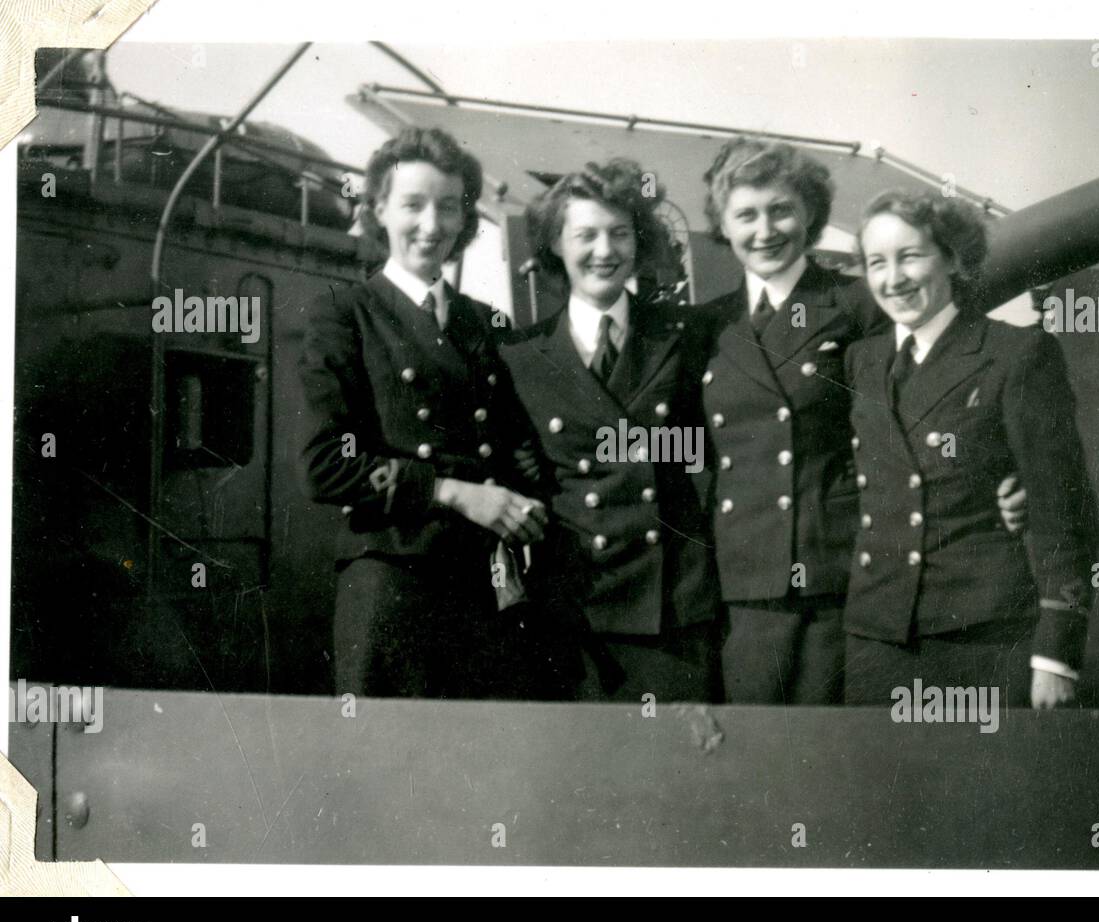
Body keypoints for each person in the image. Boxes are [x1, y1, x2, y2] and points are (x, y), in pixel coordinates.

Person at [697, 137, 1026, 705]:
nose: (765, 230)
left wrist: (1007, 475)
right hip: (743, 583)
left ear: (812, 217)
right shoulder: (703, 326)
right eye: (746, 215)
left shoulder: (860, 304)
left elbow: (951, 386)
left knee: (838, 760)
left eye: (782, 209)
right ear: (723, 226)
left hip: (842, 575)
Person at [297, 126, 548, 699]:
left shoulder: (483, 322)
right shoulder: (343, 315)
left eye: (448, 208)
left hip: (486, 593)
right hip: (392, 590)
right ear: (380, 208)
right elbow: (323, 464)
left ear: (465, 220)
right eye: (412, 204)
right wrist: (456, 493)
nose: (431, 226)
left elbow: (519, 447)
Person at [843, 189, 1099, 709]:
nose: (893, 279)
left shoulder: (1015, 353)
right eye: (877, 263)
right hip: (876, 638)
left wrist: (1056, 654)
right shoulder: (860, 362)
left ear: (954, 258)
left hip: (981, 634)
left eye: (911, 256)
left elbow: (1063, 510)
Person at [499, 159, 721, 702]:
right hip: (575, 610)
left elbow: (707, 453)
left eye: (620, 233)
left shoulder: (687, 336)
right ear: (554, 243)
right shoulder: (520, 356)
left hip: (670, 605)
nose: (605, 251)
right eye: (586, 235)